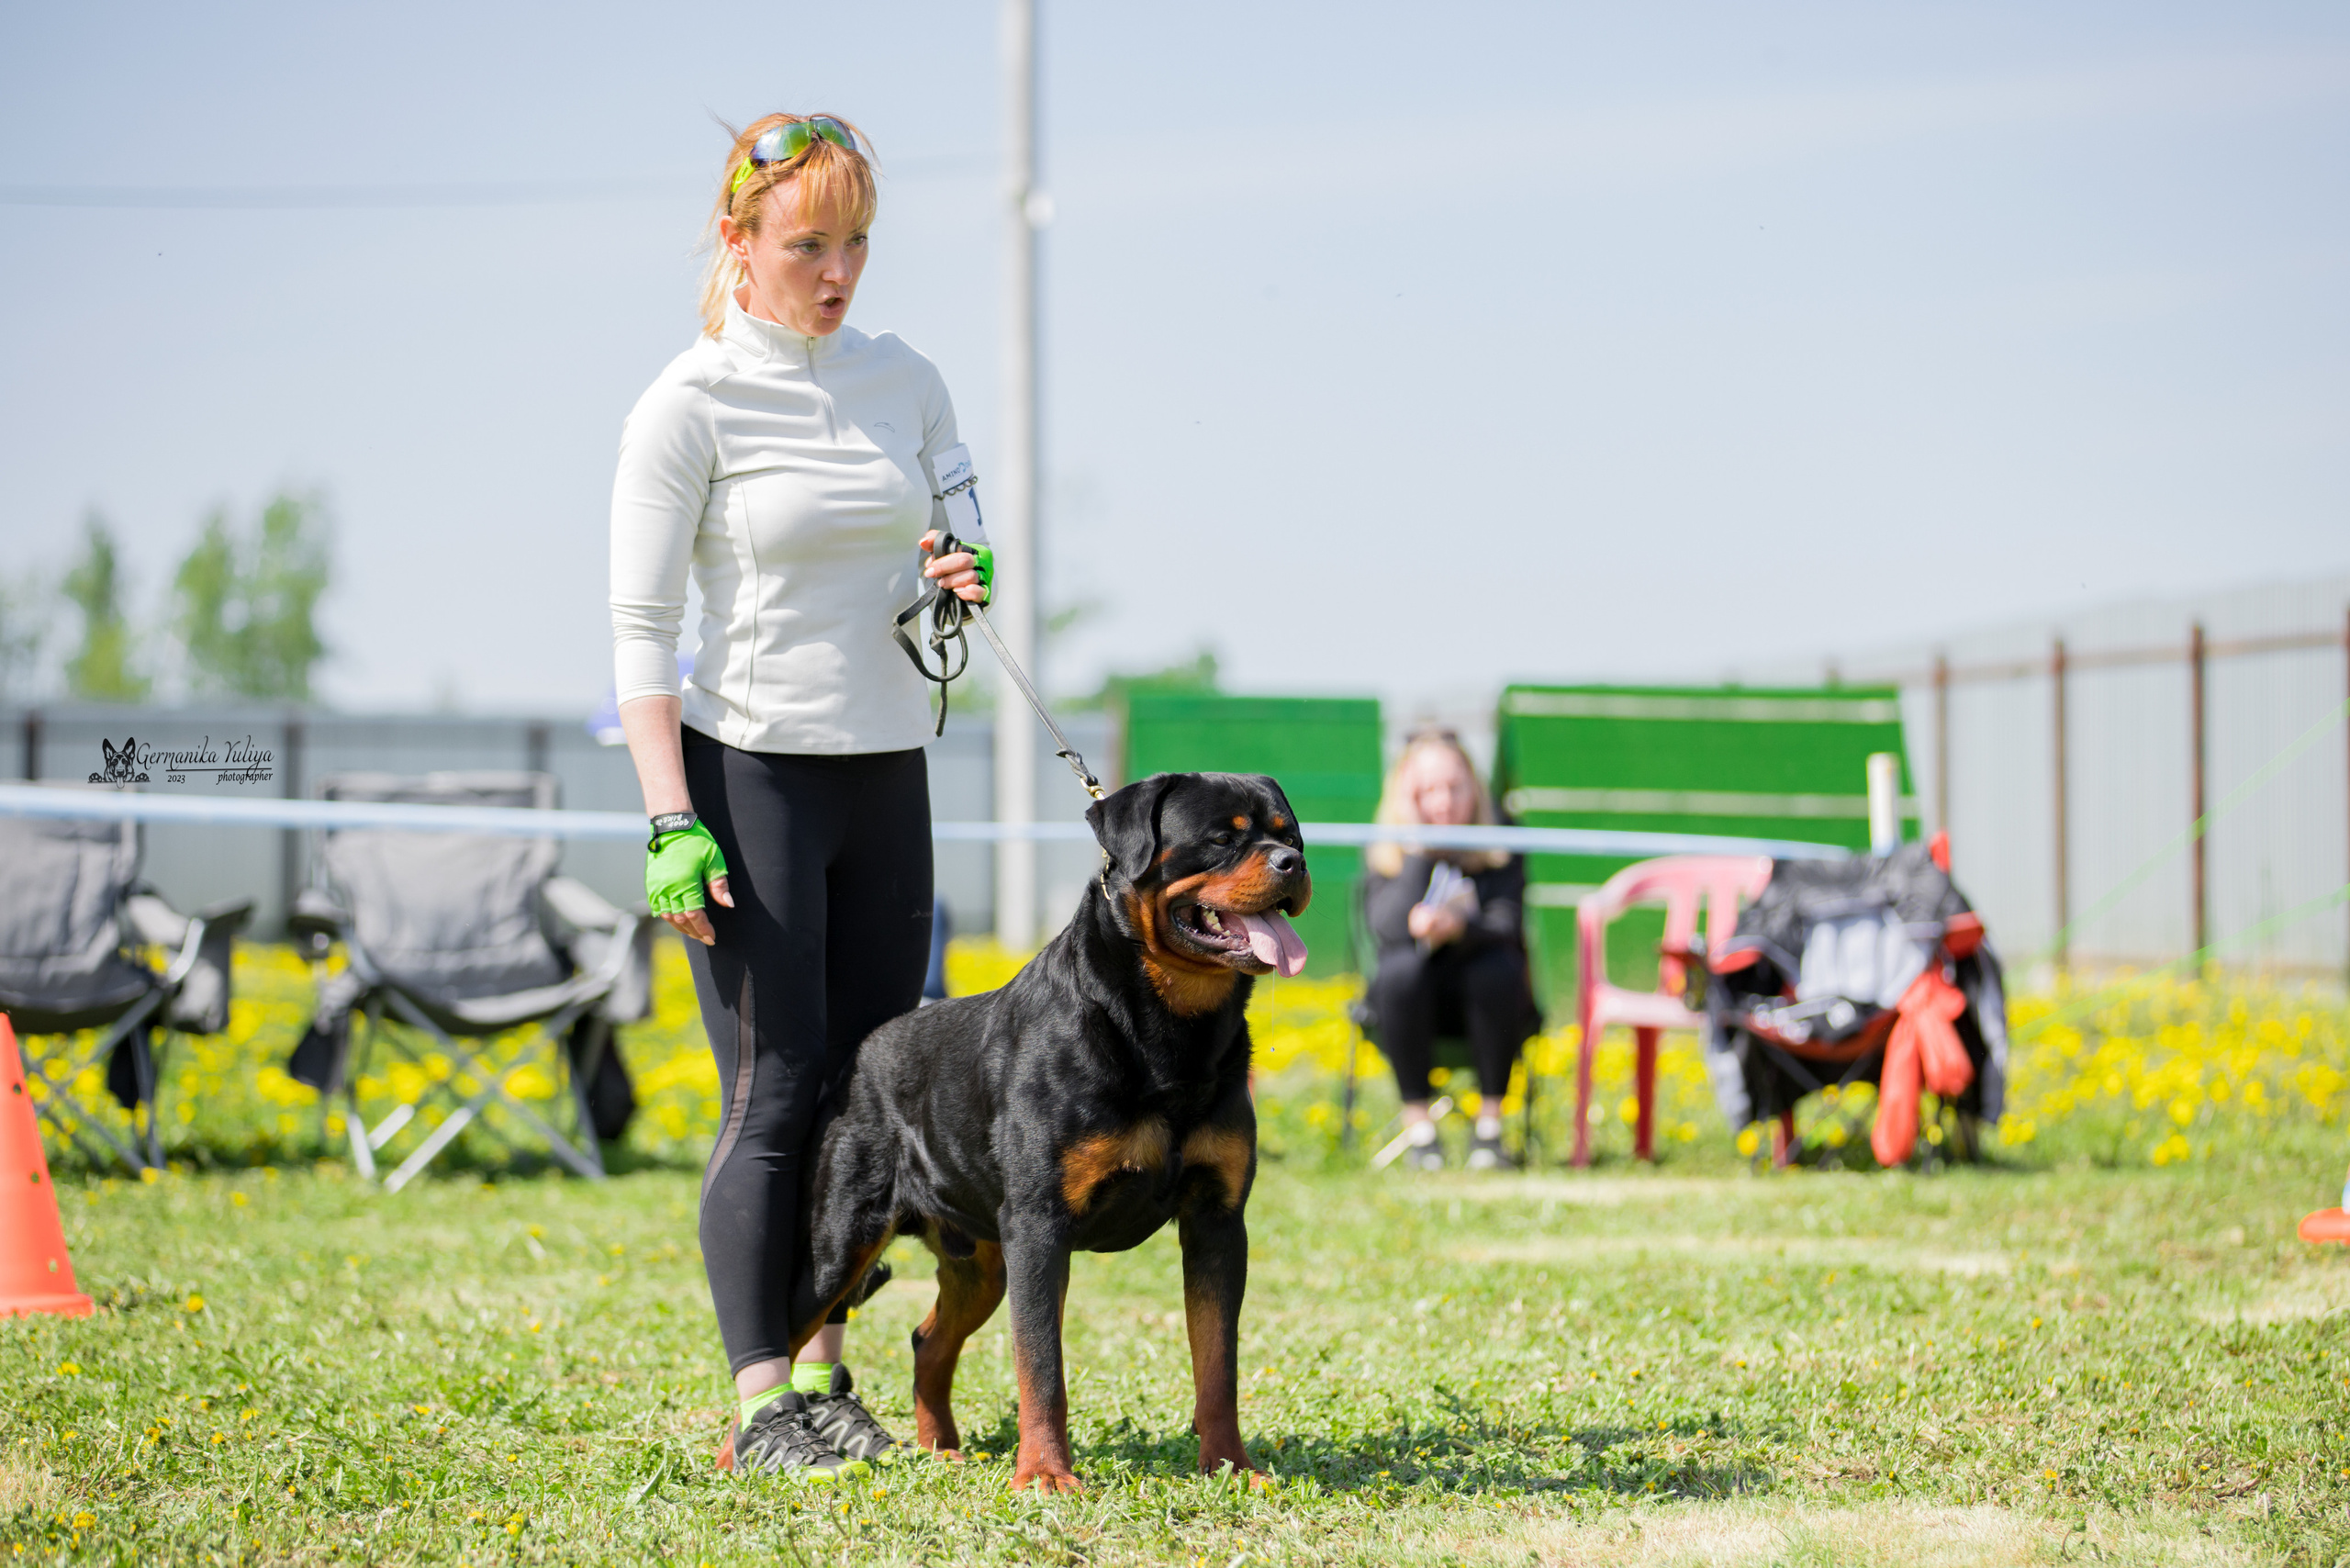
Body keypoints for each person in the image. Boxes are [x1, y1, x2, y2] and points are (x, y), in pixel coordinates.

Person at [607, 113, 987, 1480]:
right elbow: (640, 629)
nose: (838, 271)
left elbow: (958, 515)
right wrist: (668, 818)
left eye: (857, 243)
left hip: (889, 769)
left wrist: (961, 568)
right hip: (748, 770)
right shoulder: (688, 402)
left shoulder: (907, 379)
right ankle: (762, 1395)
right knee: (775, 1094)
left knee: (870, 1092)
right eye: (808, 244)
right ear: (741, 245)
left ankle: (828, 1369)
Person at [1360, 730, 1538, 1171]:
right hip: (1410, 1004)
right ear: (1406, 796)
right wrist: (1419, 854)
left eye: (1454, 787)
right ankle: (1421, 1133)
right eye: (1427, 791)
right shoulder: (1389, 847)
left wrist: (1461, 926)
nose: (1443, 802)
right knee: (1399, 970)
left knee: (1497, 968)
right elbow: (1384, 926)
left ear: (1473, 787)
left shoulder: (1502, 838)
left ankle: (1490, 1132)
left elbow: (1508, 922)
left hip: (1487, 1000)